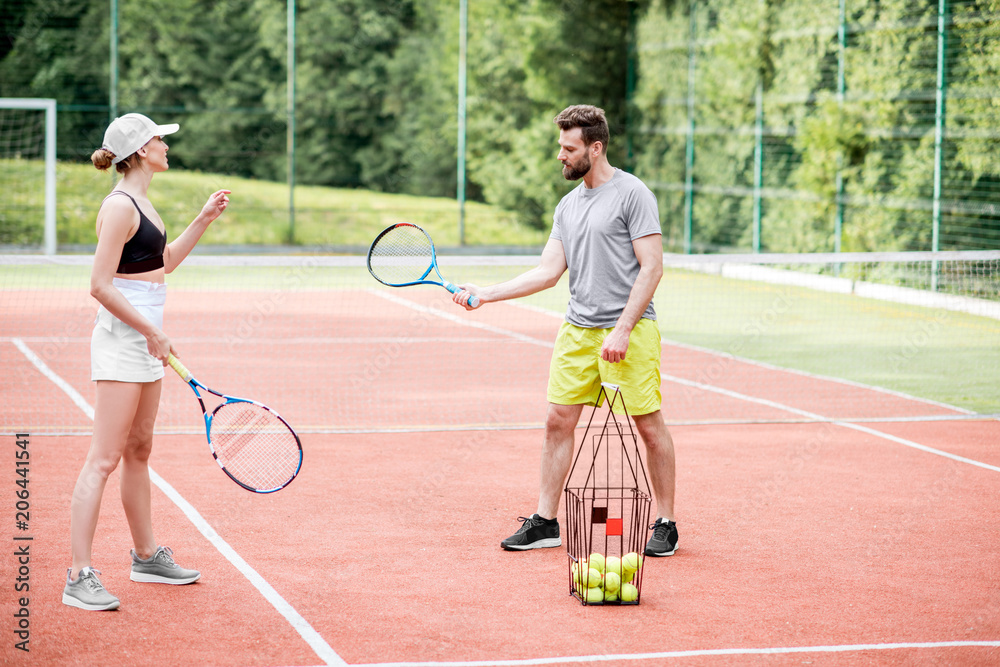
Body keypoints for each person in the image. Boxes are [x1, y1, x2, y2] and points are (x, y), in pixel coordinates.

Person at [452, 104, 678, 558]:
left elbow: (651, 268)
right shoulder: (568, 205)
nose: (561, 155)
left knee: (648, 426)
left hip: (628, 332)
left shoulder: (634, 195)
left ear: (595, 149)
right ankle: (546, 521)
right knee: (557, 421)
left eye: (569, 148)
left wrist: (622, 330)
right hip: (577, 331)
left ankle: (666, 521)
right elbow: (548, 271)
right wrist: (486, 293)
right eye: (560, 146)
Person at [63, 113, 231, 611]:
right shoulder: (118, 208)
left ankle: (145, 557)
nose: (165, 144)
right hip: (121, 345)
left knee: (139, 450)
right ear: (139, 152)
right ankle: (78, 575)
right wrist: (151, 330)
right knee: (104, 459)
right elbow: (99, 284)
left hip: (145, 342)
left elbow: (162, 267)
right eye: (159, 138)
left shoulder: (143, 202)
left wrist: (202, 219)